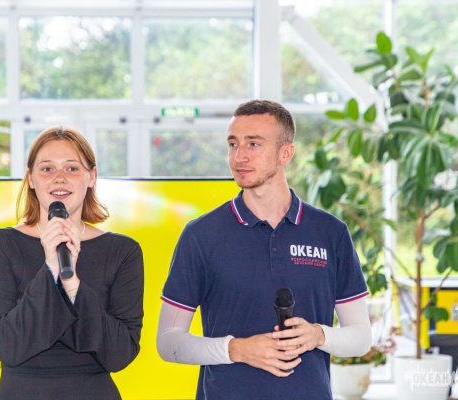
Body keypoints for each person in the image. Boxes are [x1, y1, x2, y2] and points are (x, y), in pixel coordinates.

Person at [156, 100, 372, 399]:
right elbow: (168, 342)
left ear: (286, 153)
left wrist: (319, 335)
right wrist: (236, 349)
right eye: (233, 144)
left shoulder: (331, 233)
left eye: (254, 144)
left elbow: (361, 337)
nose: (239, 156)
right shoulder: (201, 235)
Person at [0, 126, 144, 400]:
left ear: (92, 176)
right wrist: (50, 269)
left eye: (72, 168)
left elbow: (120, 353)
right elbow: (7, 345)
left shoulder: (123, 252)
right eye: (47, 169)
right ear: (30, 179)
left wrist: (72, 284)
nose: (59, 178)